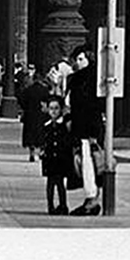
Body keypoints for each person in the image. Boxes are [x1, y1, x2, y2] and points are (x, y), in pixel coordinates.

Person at [66, 47, 104, 215]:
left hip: (88, 130)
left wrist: (93, 133)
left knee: (89, 165)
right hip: (81, 128)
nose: (78, 62)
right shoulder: (76, 79)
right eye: (77, 59)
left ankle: (92, 200)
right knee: (85, 164)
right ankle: (91, 198)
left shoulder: (89, 79)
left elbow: (92, 106)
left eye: (82, 59)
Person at [39, 94, 75, 215]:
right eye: (51, 108)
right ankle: (50, 205)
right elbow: (43, 140)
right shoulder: (46, 125)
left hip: (61, 157)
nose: (53, 111)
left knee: (60, 182)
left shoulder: (64, 124)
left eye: (56, 108)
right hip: (49, 157)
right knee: (50, 182)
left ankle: (63, 205)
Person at [18, 67, 52, 162]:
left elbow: (22, 100)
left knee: (30, 135)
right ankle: (39, 152)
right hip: (41, 115)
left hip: (30, 115)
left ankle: (31, 152)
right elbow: (48, 101)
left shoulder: (28, 90)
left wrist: (25, 108)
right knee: (40, 134)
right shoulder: (44, 90)